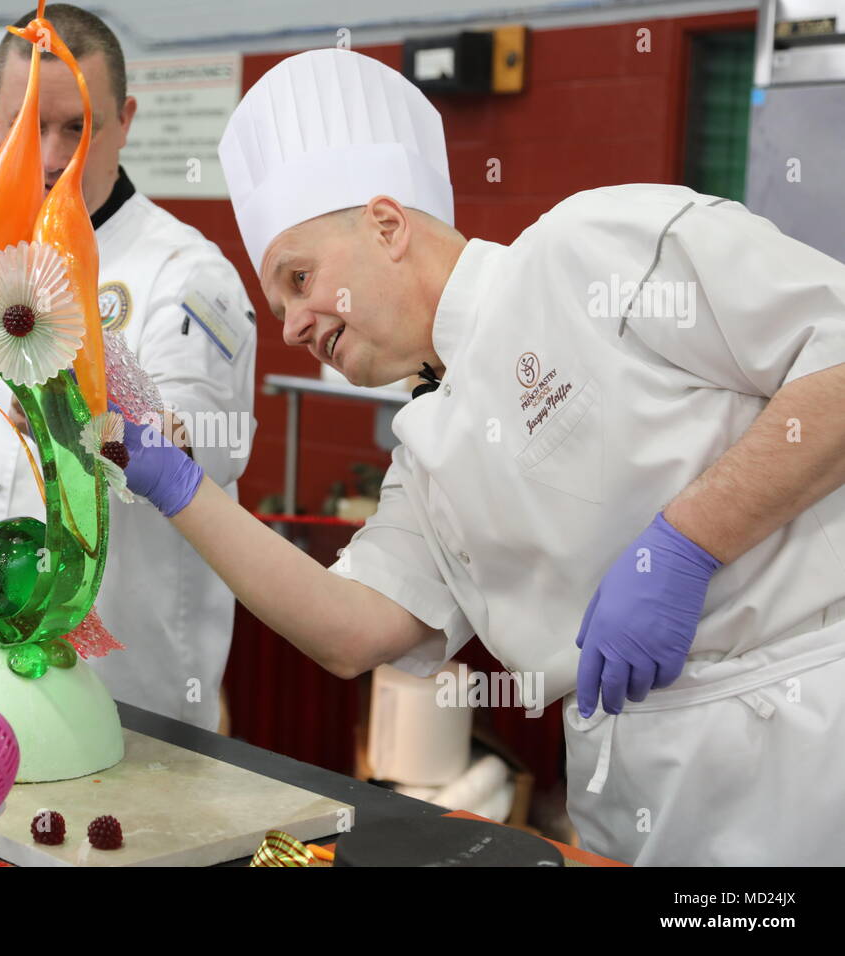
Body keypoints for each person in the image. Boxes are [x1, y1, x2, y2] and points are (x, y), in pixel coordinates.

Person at [114, 48, 845, 866]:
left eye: (299, 276)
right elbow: (350, 632)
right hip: (626, 797)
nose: (290, 322)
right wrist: (182, 490)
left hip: (798, 762)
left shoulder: (588, 248)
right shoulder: (427, 454)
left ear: (387, 225)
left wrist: (689, 540)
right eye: (277, 300)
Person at [0, 5, 257, 732]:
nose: (54, 156)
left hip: (130, 692)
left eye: (77, 127)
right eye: (33, 126)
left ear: (123, 119)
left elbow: (198, 445)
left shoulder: (186, 274)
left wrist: (114, 413)